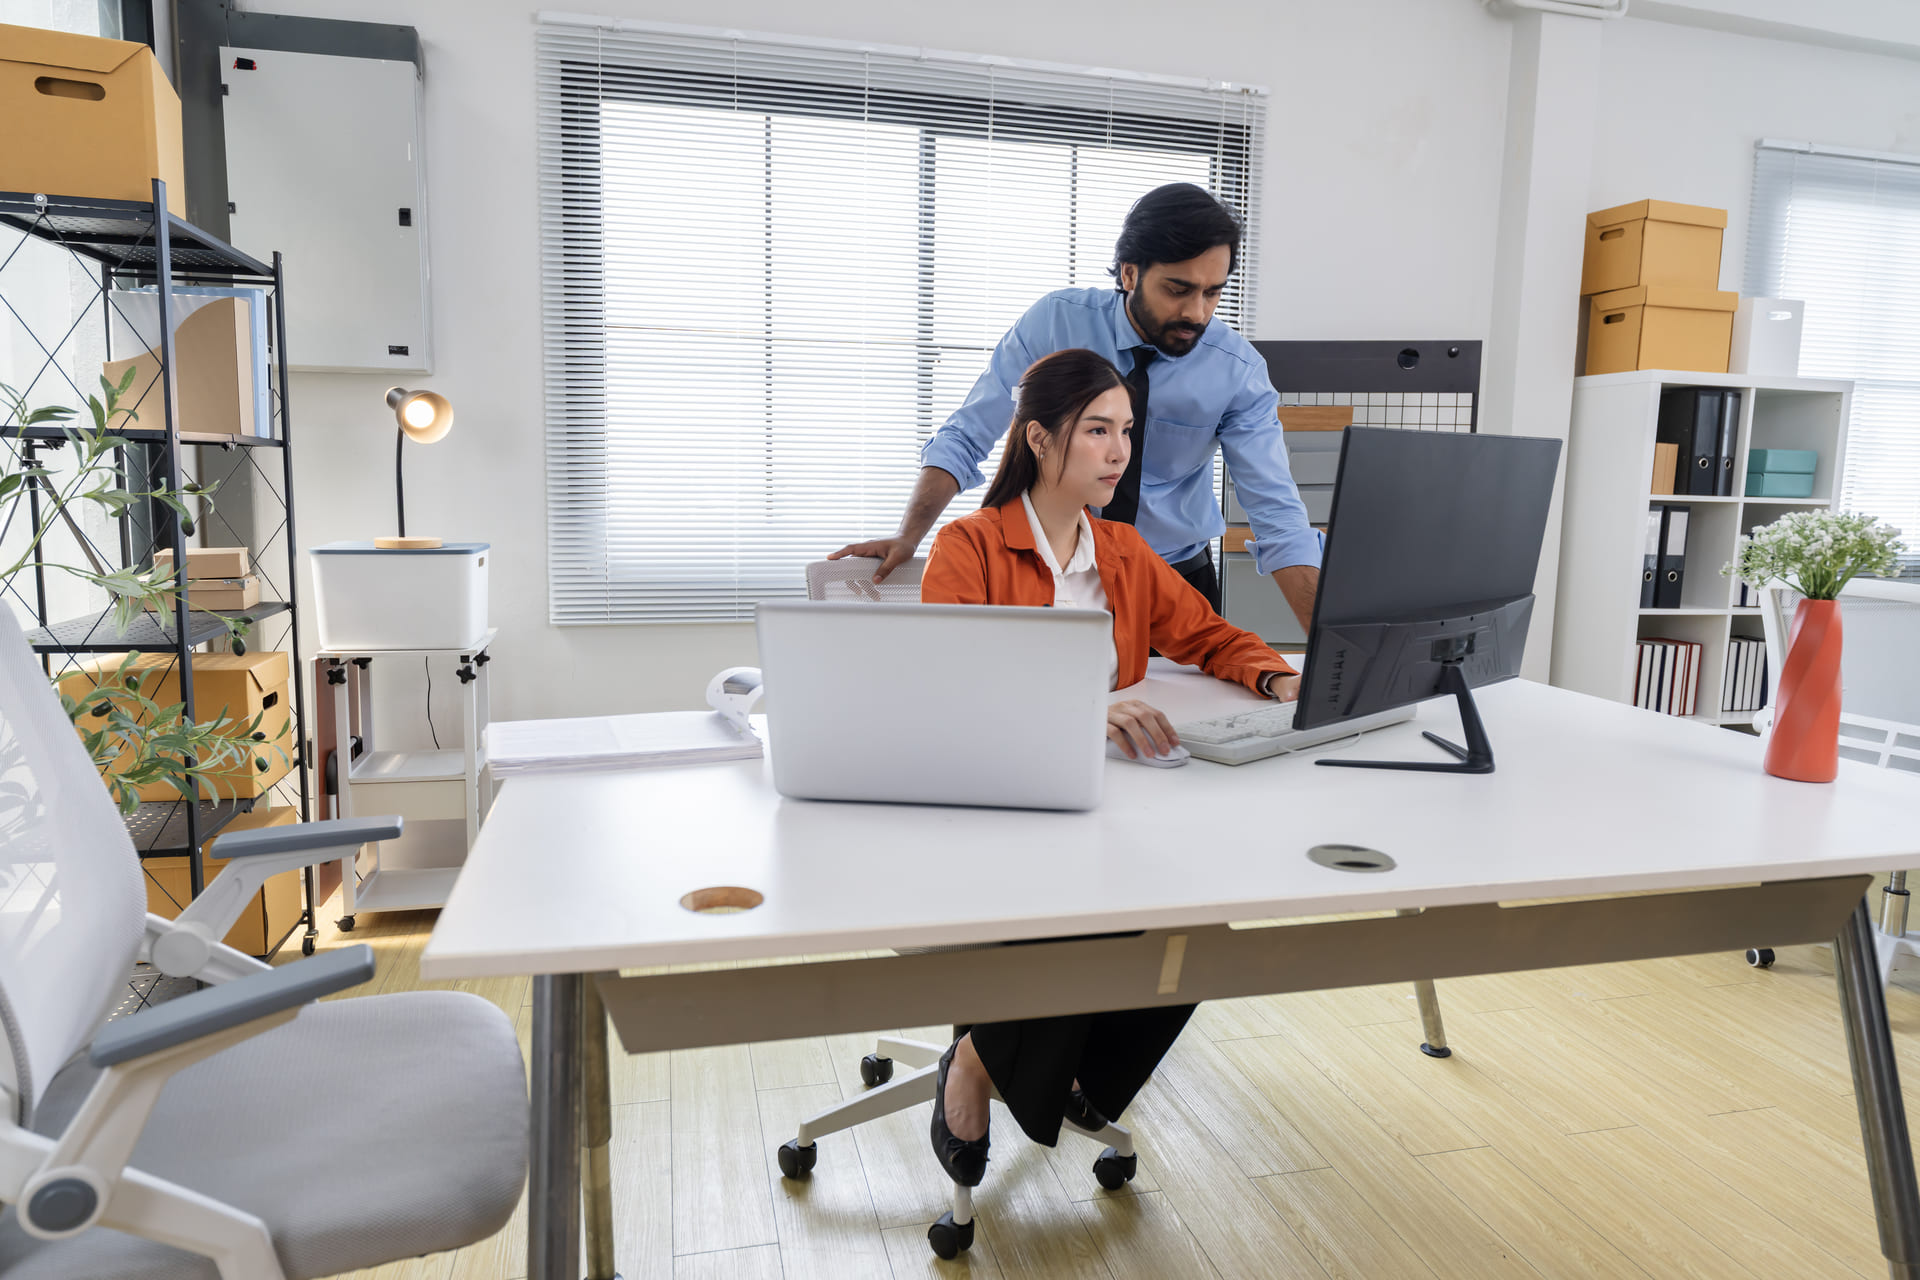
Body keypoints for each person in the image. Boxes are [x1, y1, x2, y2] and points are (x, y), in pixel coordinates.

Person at [918, 347, 1300, 1186]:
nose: (1119, 450)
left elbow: (1207, 635)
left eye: (1127, 430)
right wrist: (1084, 710)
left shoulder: (1123, 553)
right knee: (1097, 905)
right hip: (1001, 802)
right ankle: (978, 1064)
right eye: (1097, 429)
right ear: (1040, 439)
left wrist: (1273, 672)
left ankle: (1084, 1079)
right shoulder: (970, 547)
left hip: (1114, 796)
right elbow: (952, 685)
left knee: (1206, 911)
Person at [833, 181, 1320, 628]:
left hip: (1170, 579)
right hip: (1048, 573)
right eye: (1178, 290)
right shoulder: (1054, 324)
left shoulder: (1238, 372)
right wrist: (909, 534)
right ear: (1130, 273)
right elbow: (968, 433)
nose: (1196, 312)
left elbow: (1276, 514)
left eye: (1213, 293)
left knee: (1180, 718)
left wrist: (1330, 657)